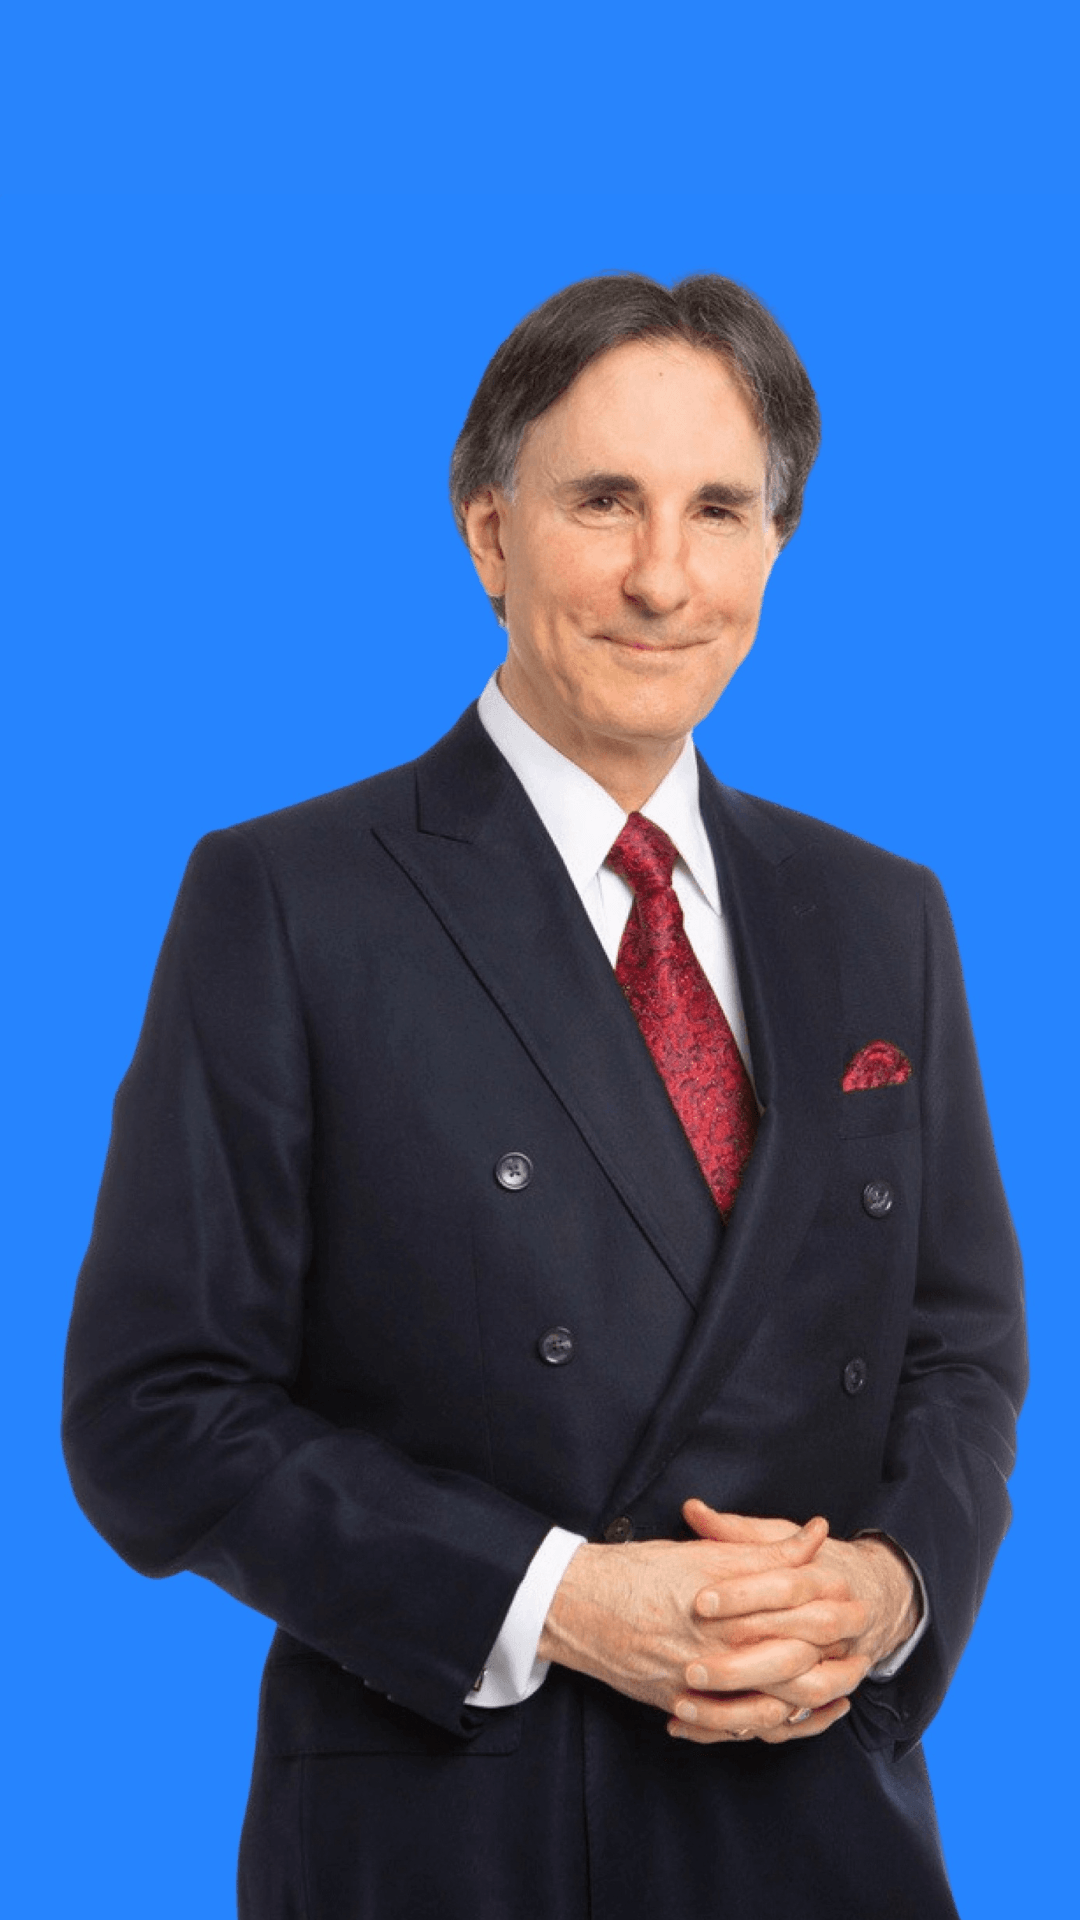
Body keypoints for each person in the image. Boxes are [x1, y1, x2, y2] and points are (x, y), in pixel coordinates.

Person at [62, 273, 1026, 1919]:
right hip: (459, 1830)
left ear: (776, 544)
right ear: (490, 530)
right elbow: (154, 1409)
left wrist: (888, 1591)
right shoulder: (291, 897)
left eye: (719, 510)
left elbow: (958, 1349)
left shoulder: (884, 913)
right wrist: (556, 1599)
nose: (664, 576)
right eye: (604, 503)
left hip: (822, 1820)